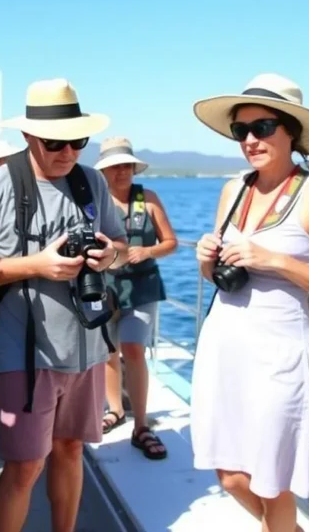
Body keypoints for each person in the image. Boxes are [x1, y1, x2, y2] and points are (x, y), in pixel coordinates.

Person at [0, 78, 128, 532]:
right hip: (24, 352)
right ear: (28, 136)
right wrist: (38, 265)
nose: (68, 151)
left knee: (72, 449)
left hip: (88, 348)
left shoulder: (91, 182)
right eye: (56, 142)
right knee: (26, 465)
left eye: (78, 141)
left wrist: (110, 254)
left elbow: (122, 247)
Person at [190, 73, 309, 532]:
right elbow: (222, 276)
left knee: (271, 482)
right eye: (241, 130)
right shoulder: (233, 190)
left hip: (279, 353)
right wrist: (207, 261)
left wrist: (276, 259)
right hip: (226, 346)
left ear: (290, 132)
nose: (250, 139)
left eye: (262, 127)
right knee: (229, 475)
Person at [95, 136, 176, 460]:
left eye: (126, 165)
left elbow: (169, 242)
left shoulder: (150, 199)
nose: (121, 172)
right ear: (105, 171)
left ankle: (140, 424)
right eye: (115, 167)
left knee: (133, 348)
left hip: (142, 288)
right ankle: (115, 410)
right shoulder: (96, 203)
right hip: (106, 288)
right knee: (107, 351)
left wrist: (149, 250)